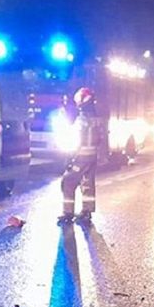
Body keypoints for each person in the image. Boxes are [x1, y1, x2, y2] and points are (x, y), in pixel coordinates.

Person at [58, 87, 102, 225]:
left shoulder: (81, 119)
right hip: (92, 156)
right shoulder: (96, 118)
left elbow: (75, 140)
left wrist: (70, 158)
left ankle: (68, 212)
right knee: (87, 183)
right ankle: (87, 212)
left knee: (68, 182)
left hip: (81, 157)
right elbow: (100, 138)